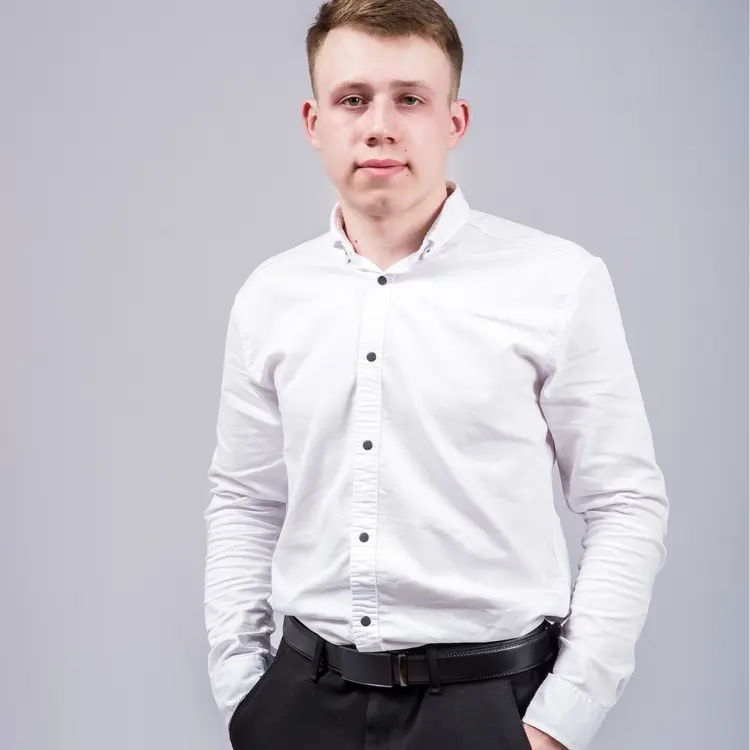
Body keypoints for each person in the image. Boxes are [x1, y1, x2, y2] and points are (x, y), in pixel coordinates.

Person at [203, 1, 669, 749]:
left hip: (487, 711)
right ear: (314, 121)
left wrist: (561, 719)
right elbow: (245, 501)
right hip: (301, 704)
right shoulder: (270, 295)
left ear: (455, 121)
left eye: (410, 99)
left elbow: (625, 502)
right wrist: (241, 692)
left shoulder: (557, 282)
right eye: (352, 99)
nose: (379, 126)